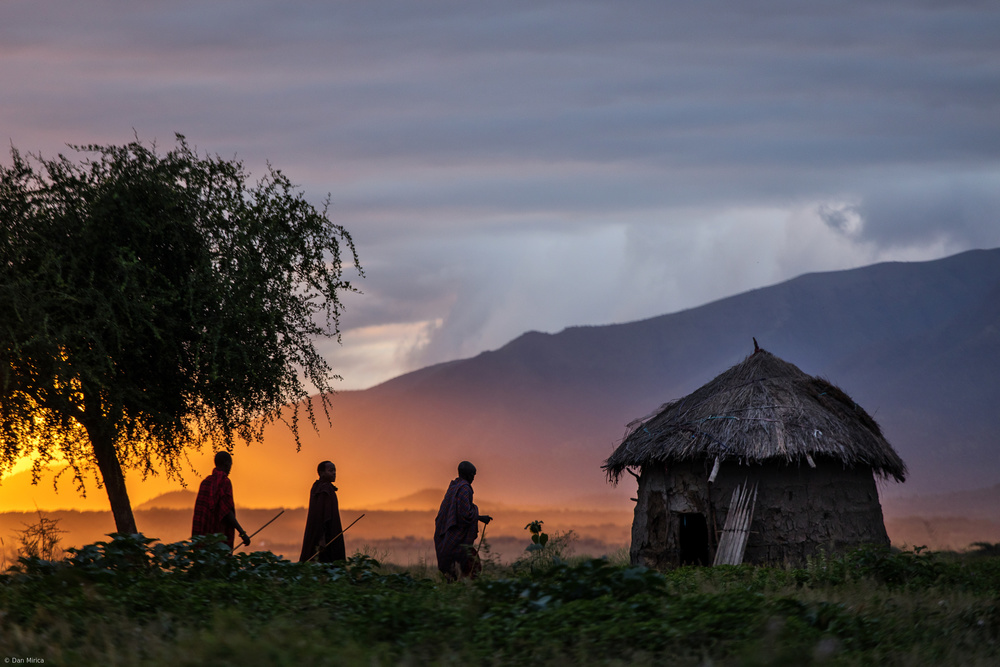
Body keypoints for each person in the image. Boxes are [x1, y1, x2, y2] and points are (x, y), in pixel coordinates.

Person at [434, 460, 492, 580]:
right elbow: (465, 514)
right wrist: (481, 517)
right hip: (457, 536)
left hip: (448, 534)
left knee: (454, 568)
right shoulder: (465, 488)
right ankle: (466, 591)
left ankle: (454, 589)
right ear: (466, 474)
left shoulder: (454, 486)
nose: (473, 478)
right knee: (471, 566)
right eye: (472, 475)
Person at [191, 451, 250, 549]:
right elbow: (226, 512)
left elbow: (199, 514)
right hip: (218, 540)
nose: (230, 469)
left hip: (202, 539)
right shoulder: (225, 482)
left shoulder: (205, 483)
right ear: (226, 464)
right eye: (230, 465)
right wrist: (242, 533)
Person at [299, 460, 346, 562]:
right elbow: (322, 516)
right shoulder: (324, 489)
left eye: (335, 470)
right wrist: (322, 539)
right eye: (331, 470)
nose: (334, 473)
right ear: (321, 473)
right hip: (326, 535)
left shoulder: (319, 487)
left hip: (321, 533)